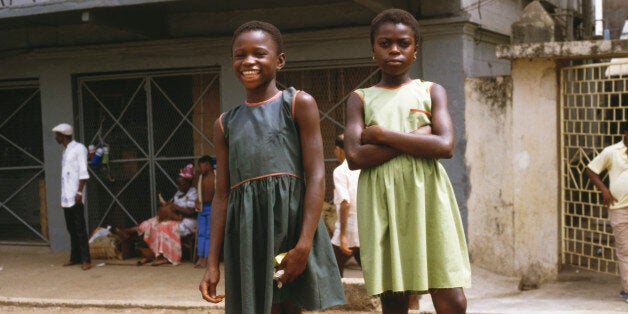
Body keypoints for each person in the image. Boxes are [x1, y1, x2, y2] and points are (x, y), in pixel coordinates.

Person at [199, 21, 345, 313]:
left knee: (289, 307)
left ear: (279, 61)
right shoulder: (225, 123)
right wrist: (212, 264)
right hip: (247, 232)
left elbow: (316, 175)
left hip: (290, 227)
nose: (248, 61)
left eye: (259, 53)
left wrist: (303, 244)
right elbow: (222, 195)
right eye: (240, 55)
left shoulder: (297, 104)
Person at [344, 9, 471, 314]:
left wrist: (382, 134)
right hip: (382, 201)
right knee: (394, 295)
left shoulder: (431, 91)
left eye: (403, 43)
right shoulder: (360, 98)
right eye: (385, 43)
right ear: (373, 49)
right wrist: (420, 137)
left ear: (416, 50)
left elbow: (445, 145)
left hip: (428, 197)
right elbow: (355, 157)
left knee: (450, 292)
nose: (394, 50)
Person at [117, 164, 198, 266]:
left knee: (162, 226)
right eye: (178, 184)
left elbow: (191, 211)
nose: (179, 186)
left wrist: (175, 207)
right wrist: (167, 205)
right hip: (175, 219)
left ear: (188, 183)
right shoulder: (178, 193)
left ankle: (165, 256)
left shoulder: (193, 193)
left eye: (181, 184)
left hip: (187, 223)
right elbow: (173, 206)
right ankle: (127, 232)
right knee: (151, 222)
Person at [585, 121, 628, 302]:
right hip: (619, 209)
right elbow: (591, 169)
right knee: (625, 250)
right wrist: (604, 190)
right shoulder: (612, 151)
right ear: (626, 132)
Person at [52, 123, 92, 271]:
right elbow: (65, 176)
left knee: (80, 228)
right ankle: (75, 257)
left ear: (63, 136)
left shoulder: (79, 149)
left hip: (76, 195)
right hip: (67, 196)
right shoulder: (66, 151)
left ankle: (86, 259)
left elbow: (83, 172)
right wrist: (63, 198)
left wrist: (79, 192)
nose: (56, 138)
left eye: (57, 135)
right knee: (71, 228)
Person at [330, 133, 361, 277]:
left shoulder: (340, 171)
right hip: (364, 229)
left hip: (348, 229)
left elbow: (345, 203)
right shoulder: (363, 168)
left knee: (333, 271)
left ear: (338, 149)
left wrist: (342, 236)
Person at [195, 155, 216, 268]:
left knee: (209, 234)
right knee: (201, 233)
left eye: (201, 166)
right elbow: (197, 191)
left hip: (213, 208)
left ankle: (206, 258)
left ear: (208, 165)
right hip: (202, 208)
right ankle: (200, 257)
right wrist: (197, 201)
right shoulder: (200, 177)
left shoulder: (215, 176)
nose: (200, 168)